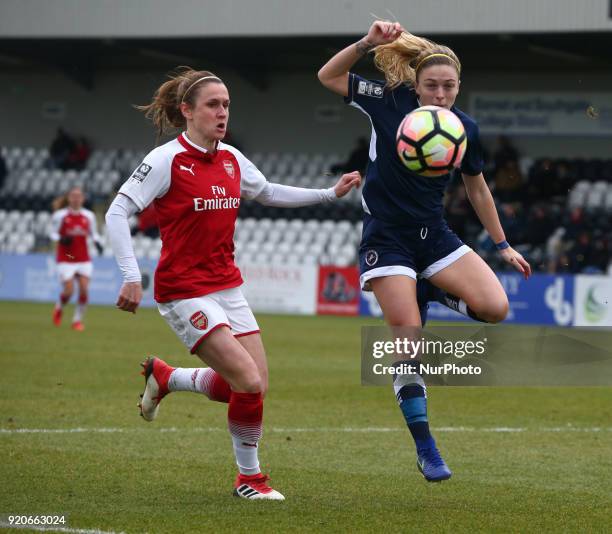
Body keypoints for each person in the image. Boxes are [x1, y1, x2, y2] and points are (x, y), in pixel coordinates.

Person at [104, 67, 361, 501]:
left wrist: (328, 194)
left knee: (250, 384)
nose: (222, 113)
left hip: (227, 286)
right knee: (245, 379)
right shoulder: (166, 160)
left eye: (226, 104)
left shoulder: (231, 157)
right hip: (183, 289)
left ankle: (167, 378)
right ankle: (250, 478)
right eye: (212, 105)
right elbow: (116, 211)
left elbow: (268, 192)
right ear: (187, 111)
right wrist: (131, 276)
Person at [318, 21, 531, 482]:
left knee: (495, 308)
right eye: (431, 85)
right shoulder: (387, 100)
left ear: (459, 87)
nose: (440, 94)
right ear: (415, 85)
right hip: (386, 238)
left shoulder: (466, 129)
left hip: (433, 236)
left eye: (448, 86)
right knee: (407, 337)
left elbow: (478, 191)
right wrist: (366, 44)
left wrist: (503, 244)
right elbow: (328, 77)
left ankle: (431, 289)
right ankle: (426, 446)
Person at [50, 186, 104, 331]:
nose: (76, 198)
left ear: (83, 198)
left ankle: (77, 321)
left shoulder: (89, 216)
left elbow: (94, 234)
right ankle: (59, 307)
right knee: (69, 291)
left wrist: (98, 243)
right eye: (73, 196)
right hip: (66, 258)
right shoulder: (60, 216)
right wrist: (62, 239)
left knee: (84, 289)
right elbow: (53, 234)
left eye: (78, 196)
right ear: (68, 198)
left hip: (83, 258)